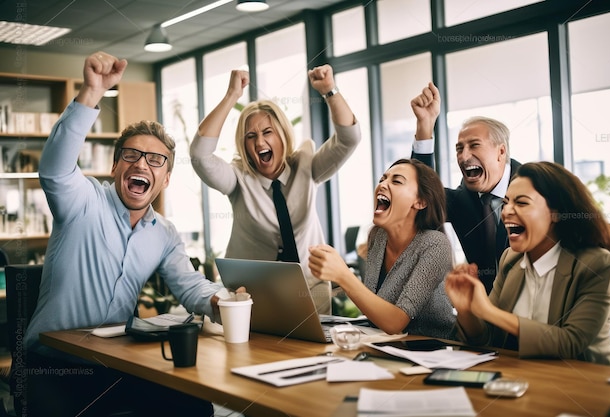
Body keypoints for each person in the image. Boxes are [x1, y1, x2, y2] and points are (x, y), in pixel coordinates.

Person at [21, 51, 240, 417]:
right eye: (131, 155)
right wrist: (91, 93)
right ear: (116, 164)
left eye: (155, 160)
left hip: (112, 364)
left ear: (166, 179)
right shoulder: (82, 201)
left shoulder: (164, 233)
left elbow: (189, 285)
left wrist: (222, 301)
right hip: (50, 365)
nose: (141, 163)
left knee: (193, 408)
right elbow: (55, 169)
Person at [190, 65, 360, 314]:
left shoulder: (307, 166)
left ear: (282, 134)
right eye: (251, 136)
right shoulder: (237, 179)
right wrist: (231, 96)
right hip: (251, 292)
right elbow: (199, 155)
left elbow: (349, 139)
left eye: (267, 132)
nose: (260, 142)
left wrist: (329, 91)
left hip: (309, 287)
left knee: (314, 350)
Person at [445, 161, 610, 366]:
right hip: (525, 378)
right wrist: (467, 310)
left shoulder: (598, 264)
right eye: (506, 202)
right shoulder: (510, 260)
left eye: (521, 203)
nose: (506, 212)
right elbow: (488, 339)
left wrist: (487, 311)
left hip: (588, 387)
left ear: (555, 213)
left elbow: (572, 344)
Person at [308, 158, 456, 338]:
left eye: (396, 181)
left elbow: (396, 323)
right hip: (383, 345)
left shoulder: (435, 244)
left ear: (420, 202)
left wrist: (343, 275)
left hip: (431, 352)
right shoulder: (377, 237)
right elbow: (374, 308)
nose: (383, 184)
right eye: (382, 179)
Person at [410, 82, 522, 292]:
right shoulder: (463, 200)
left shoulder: (536, 188)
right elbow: (423, 199)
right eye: (459, 149)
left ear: (501, 152)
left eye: (474, 145)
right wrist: (424, 126)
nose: (463, 156)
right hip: (483, 315)